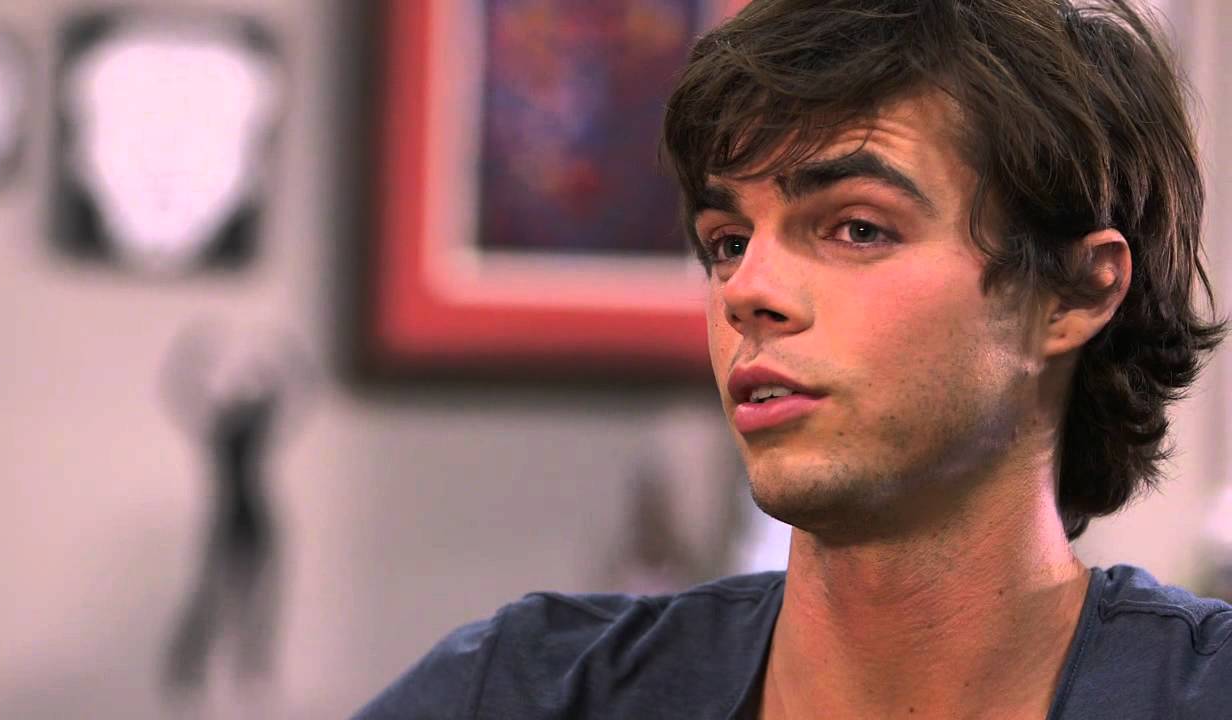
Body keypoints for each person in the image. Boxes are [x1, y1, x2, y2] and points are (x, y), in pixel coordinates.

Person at [354, 0, 1231, 717]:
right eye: (729, 241)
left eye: (857, 228)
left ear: (1074, 293)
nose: (747, 291)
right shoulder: (526, 693)